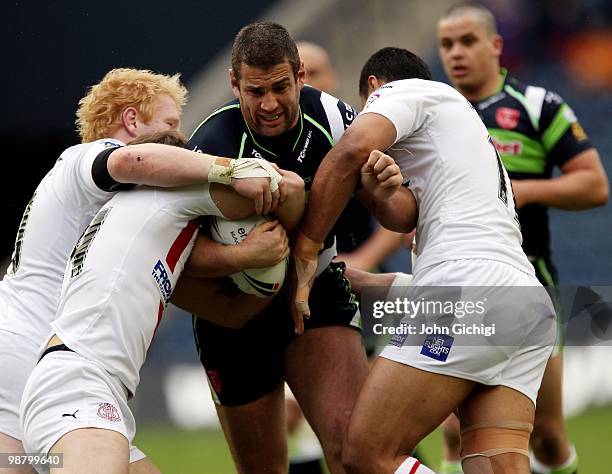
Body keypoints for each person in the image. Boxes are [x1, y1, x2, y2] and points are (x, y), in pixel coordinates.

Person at [0, 67, 280, 474]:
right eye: (170, 124)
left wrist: (248, 261)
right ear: (131, 121)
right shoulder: (86, 158)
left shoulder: (128, 214)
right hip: (35, 348)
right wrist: (232, 169)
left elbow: (210, 291)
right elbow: (135, 158)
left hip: (46, 362)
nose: (183, 141)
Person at [291, 47, 558, 474]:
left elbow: (353, 148)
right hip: (522, 303)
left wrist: (307, 247)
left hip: (469, 291)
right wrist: (359, 278)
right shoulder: (460, 137)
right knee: (491, 465)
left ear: (375, 89)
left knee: (366, 454)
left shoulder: (406, 92)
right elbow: (411, 217)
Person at [182, 22, 402, 474]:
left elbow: (400, 215)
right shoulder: (207, 147)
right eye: (255, 91)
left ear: (300, 75)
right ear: (233, 84)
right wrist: (240, 258)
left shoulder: (337, 119)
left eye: (281, 87)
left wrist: (384, 192)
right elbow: (181, 261)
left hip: (317, 293)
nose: (269, 104)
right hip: (235, 317)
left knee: (352, 452)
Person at [436, 4, 609, 474]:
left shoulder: (537, 106)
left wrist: (522, 190)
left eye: (468, 41)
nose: (456, 53)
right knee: (455, 432)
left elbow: (594, 185)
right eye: (447, 44)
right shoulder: (431, 115)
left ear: (495, 46)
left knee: (547, 438)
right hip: (452, 288)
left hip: (529, 283)